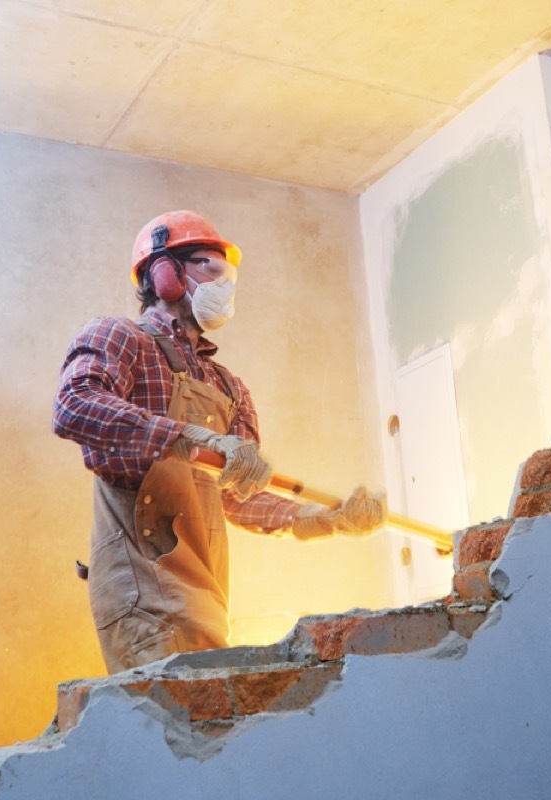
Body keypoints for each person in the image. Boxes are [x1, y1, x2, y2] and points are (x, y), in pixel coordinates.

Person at [54, 210, 385, 673]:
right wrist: (187, 437)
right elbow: (74, 405)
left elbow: (236, 499)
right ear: (164, 273)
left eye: (228, 274)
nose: (225, 283)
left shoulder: (229, 388)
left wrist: (324, 519)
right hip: (143, 591)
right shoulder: (119, 337)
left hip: (205, 592)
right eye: (210, 266)